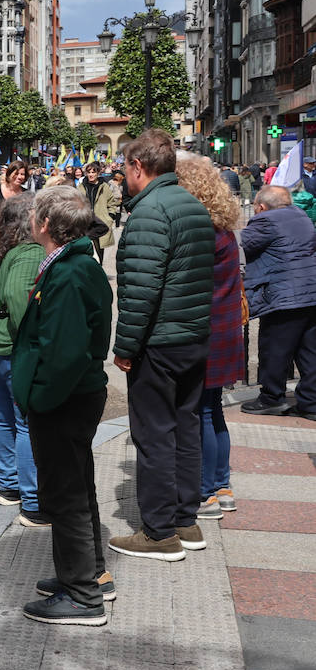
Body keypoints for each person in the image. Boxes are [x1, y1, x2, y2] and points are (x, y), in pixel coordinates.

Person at [108, 130, 215, 562]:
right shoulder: (192, 204)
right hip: (192, 336)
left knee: (154, 435)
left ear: (138, 167)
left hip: (161, 341)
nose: (123, 177)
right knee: (185, 428)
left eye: (125, 169)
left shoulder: (151, 210)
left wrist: (125, 347)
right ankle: (185, 520)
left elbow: (141, 290)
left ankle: (159, 533)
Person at [13, 187, 114, 626]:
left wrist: (39, 398)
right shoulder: (70, 264)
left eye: (35, 214)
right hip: (70, 398)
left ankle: (83, 596)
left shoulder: (71, 272)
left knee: (66, 494)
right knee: (75, 487)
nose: (30, 219)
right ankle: (85, 574)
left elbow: (65, 353)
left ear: (48, 226)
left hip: (65, 400)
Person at [173, 153, 243, 519]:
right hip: (225, 328)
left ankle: (207, 492)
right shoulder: (224, 227)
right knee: (212, 410)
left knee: (200, 410)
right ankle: (222, 485)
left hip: (205, 328)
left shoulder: (200, 229)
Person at [0, 193, 46, 527]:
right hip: (11, 350)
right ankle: (31, 501)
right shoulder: (30, 252)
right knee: (24, 423)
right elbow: (21, 305)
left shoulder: (10, 250)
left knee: (6, 418)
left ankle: (9, 487)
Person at [238, 185, 316, 419]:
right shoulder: (301, 217)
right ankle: (311, 403)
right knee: (309, 352)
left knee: (275, 349)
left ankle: (271, 398)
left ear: (261, 207)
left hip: (285, 297)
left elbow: (239, 246)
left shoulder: (265, 221)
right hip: (310, 294)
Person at [77, 162, 120, 264]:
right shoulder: (81, 187)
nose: (91, 174)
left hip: (100, 223)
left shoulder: (104, 186)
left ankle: (97, 273)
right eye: (89, 172)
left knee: (99, 253)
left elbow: (112, 203)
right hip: (84, 223)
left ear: (98, 173)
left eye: (93, 172)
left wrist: (110, 217)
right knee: (85, 252)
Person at [0, 160, 29, 225]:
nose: (19, 177)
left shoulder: (26, 193)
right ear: (9, 173)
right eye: (16, 174)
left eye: (22, 174)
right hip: (0, 229)